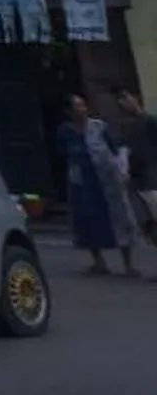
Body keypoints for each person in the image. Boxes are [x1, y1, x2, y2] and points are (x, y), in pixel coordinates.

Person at [57, 92, 140, 276]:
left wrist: (122, 171)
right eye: (77, 106)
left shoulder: (99, 127)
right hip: (83, 183)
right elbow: (64, 155)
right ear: (68, 111)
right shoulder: (65, 131)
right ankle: (99, 261)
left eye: (83, 105)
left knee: (120, 217)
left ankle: (128, 264)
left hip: (107, 179)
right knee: (87, 219)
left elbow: (116, 149)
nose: (82, 109)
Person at [118, 88, 157, 232]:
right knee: (148, 225)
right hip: (137, 181)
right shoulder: (128, 128)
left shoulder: (150, 121)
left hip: (152, 179)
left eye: (126, 98)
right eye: (121, 102)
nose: (124, 103)